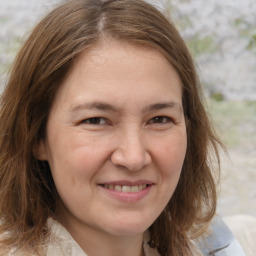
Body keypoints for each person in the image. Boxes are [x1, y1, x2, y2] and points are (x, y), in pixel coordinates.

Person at [0, 0, 233, 255]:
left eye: (159, 119)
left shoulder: (219, 245)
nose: (133, 158)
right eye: (96, 120)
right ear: (36, 135)